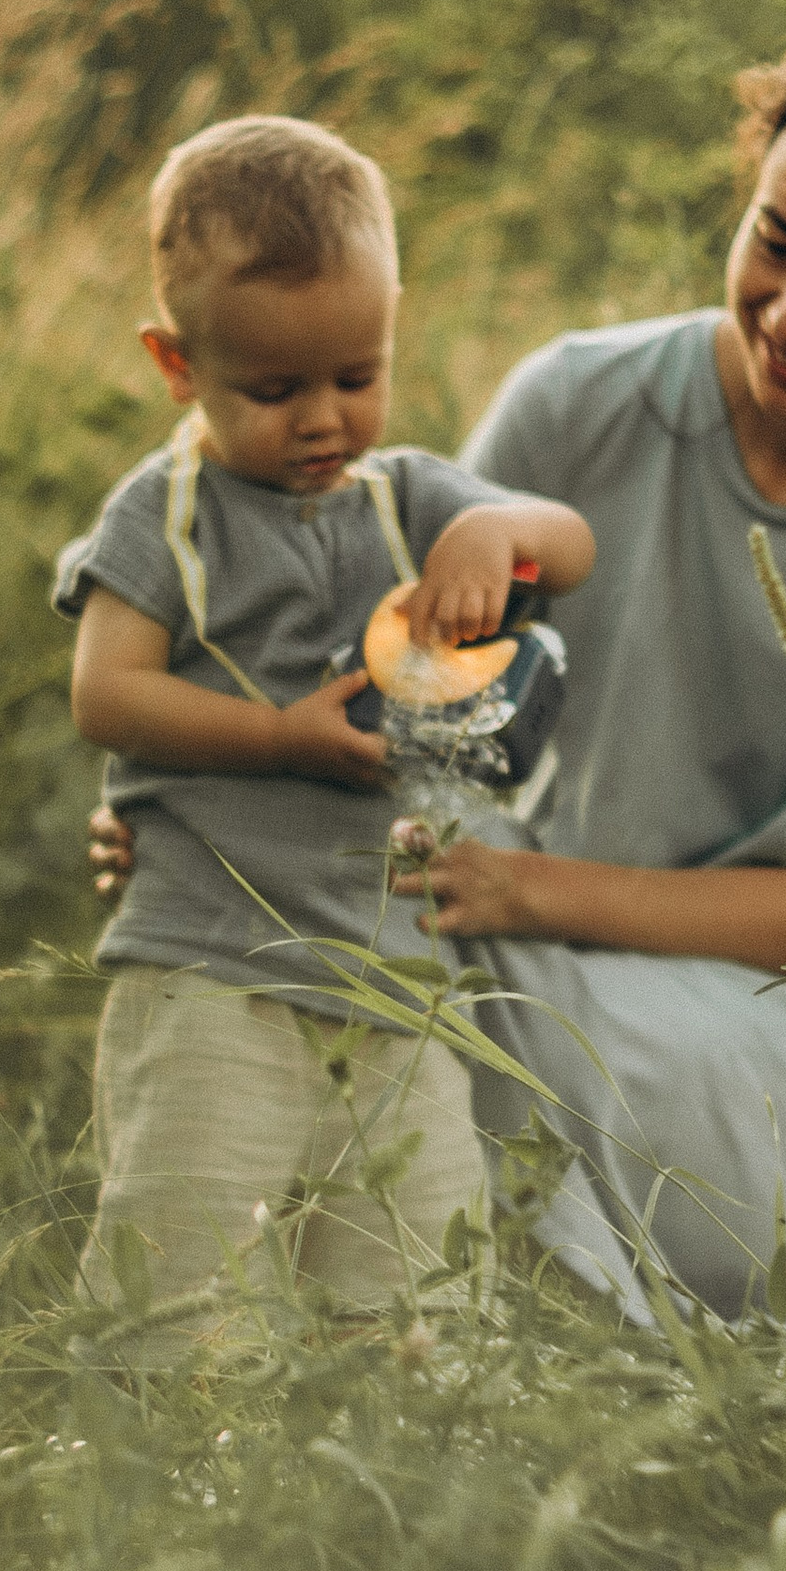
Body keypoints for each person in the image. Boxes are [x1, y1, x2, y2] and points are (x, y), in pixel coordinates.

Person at [92, 19, 786, 1341]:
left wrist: (529, 893)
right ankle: (346, 1333)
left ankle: (558, 1322)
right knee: (344, 983)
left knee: (487, 1010)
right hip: (547, 936)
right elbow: (412, 715)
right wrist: (216, 819)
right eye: (776, 242)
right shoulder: (580, 400)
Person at [55, 113, 594, 1321]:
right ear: (177, 365)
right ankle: (180, 1463)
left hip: (394, 971)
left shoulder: (409, 500)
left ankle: (406, 1463)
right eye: (274, 389)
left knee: (418, 1273)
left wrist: (492, 531)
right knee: (187, 1256)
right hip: (209, 959)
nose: (321, 420)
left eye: (357, 378)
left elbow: (573, 544)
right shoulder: (168, 515)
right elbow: (106, 692)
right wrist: (281, 740)